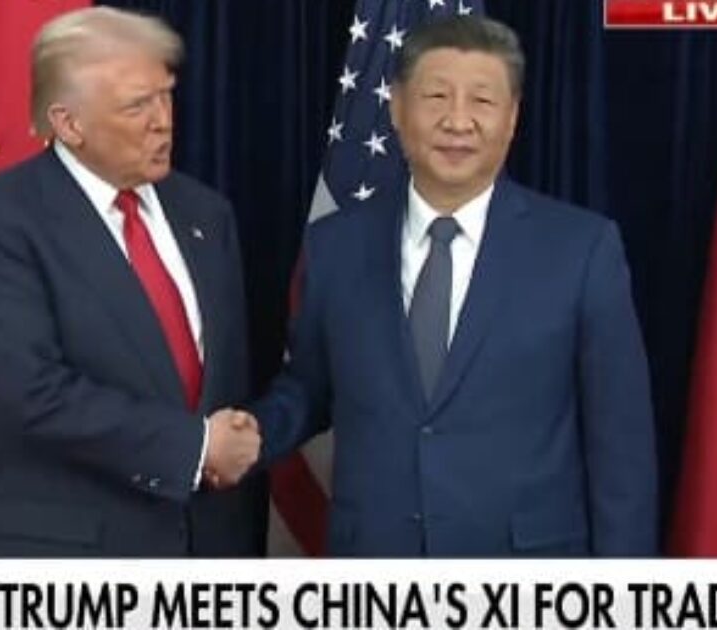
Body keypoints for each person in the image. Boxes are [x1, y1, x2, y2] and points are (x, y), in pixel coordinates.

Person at [246, 15, 657, 556]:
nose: (457, 120)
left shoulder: (582, 251)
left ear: (512, 117)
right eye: (436, 96)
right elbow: (310, 388)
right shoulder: (335, 246)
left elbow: (621, 452)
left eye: (482, 102)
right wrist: (248, 436)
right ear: (395, 108)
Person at [0, 7, 264, 557]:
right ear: (68, 124)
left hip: (204, 554)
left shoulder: (207, 214)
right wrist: (198, 446)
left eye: (167, 94)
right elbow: (30, 394)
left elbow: (221, 380)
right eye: (138, 104)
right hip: (61, 557)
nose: (164, 120)